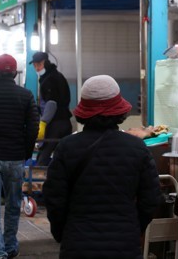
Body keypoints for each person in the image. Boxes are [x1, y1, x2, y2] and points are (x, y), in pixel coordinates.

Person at [43, 74, 162, 259]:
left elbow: (54, 198)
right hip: (124, 245)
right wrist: (133, 228)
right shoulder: (137, 148)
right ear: (119, 110)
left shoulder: (66, 147)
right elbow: (151, 199)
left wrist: (63, 233)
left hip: (78, 245)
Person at [0, 54, 39, 259]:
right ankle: (11, 246)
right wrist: (25, 152)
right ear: (15, 73)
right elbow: (33, 127)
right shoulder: (26, 95)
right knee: (13, 205)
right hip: (14, 157)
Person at [29, 51, 72, 166]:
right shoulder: (58, 76)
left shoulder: (49, 79)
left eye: (39, 65)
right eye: (34, 66)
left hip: (55, 124)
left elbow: (51, 103)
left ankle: (38, 183)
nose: (37, 68)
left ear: (45, 63)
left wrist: (43, 123)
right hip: (65, 122)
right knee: (64, 157)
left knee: (43, 158)